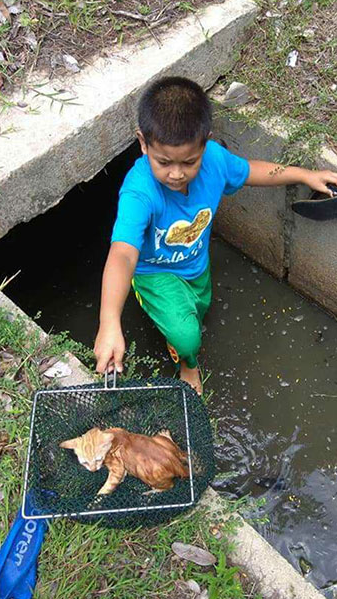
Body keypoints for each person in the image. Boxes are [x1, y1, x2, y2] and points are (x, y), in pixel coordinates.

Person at [94, 76, 337, 395]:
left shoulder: (214, 161)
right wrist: (109, 320)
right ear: (143, 143)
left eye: (189, 162)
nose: (176, 174)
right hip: (155, 272)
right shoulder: (139, 192)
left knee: (198, 310)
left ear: (205, 143)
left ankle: (180, 331)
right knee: (187, 336)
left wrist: (303, 174)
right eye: (164, 162)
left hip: (196, 265)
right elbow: (123, 253)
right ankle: (187, 365)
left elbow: (250, 172)